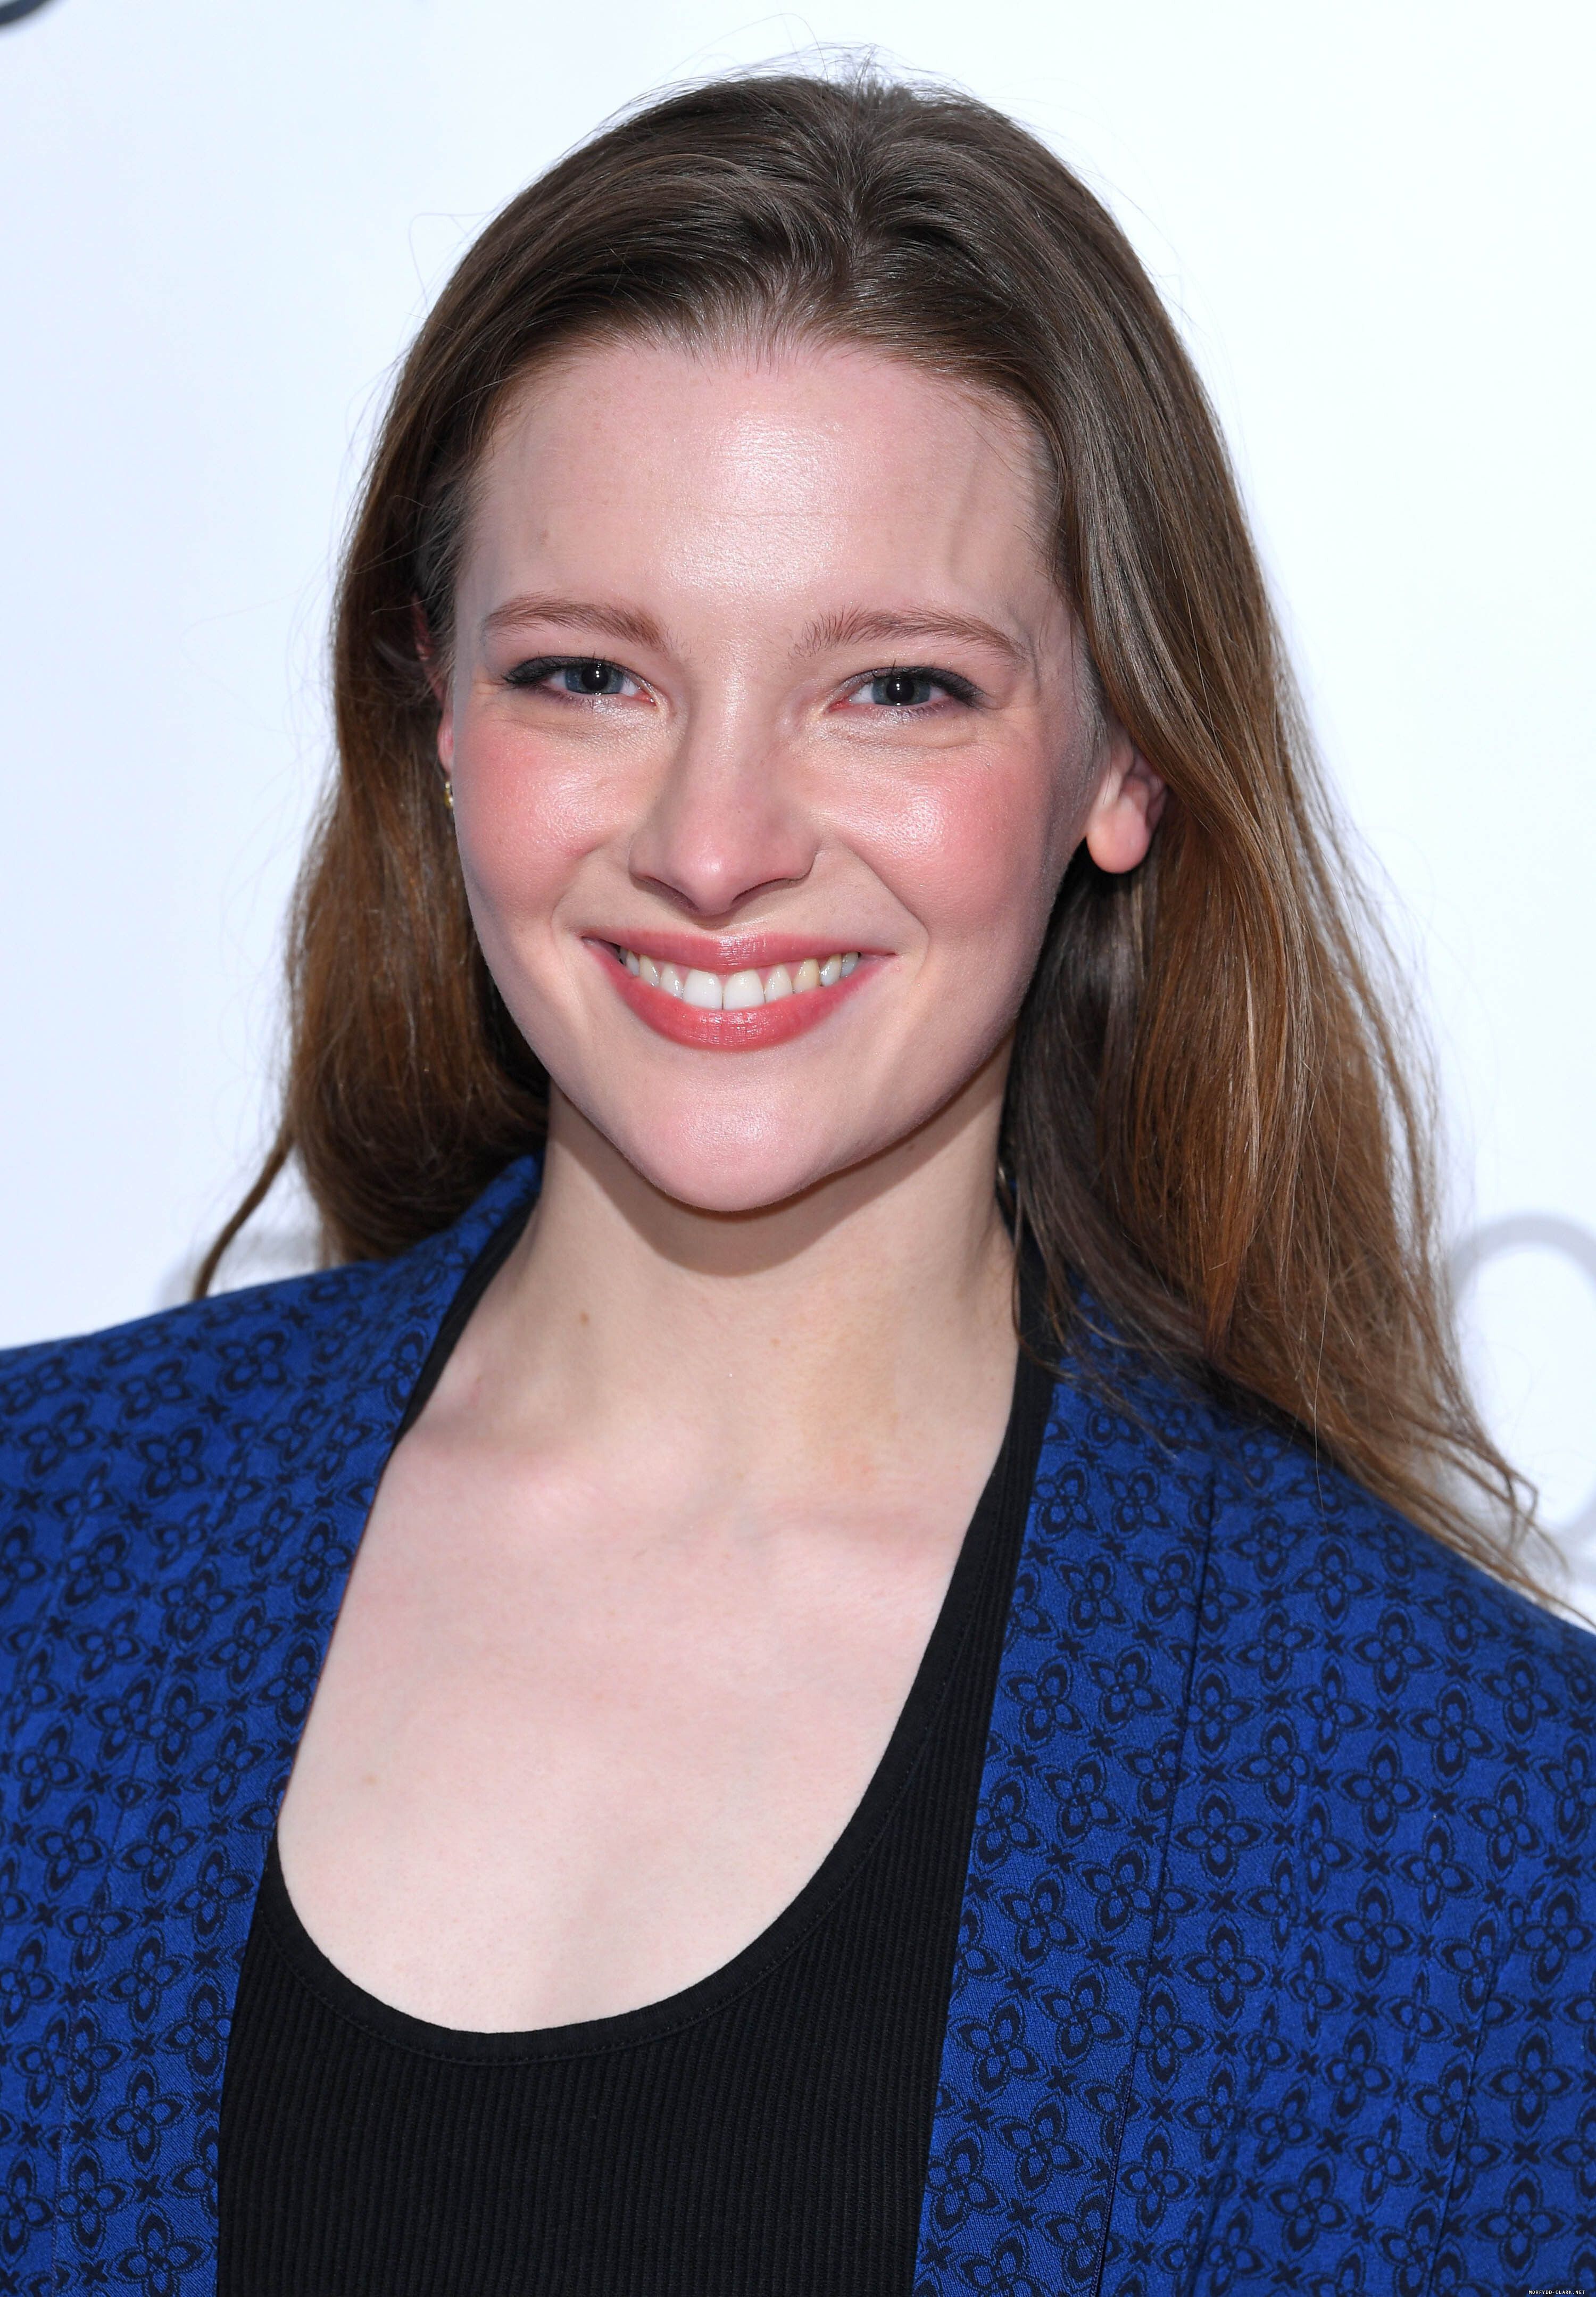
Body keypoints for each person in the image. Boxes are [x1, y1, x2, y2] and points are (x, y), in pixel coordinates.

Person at [2, 65, 1592, 2297]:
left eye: (897, 690)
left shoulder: (1466, 1825)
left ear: (1127, 755)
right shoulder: (42, 1553)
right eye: (588, 675)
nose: (718, 842)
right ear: (434, 711)